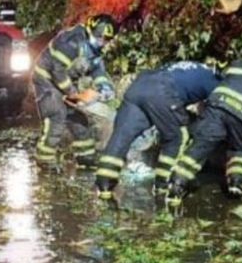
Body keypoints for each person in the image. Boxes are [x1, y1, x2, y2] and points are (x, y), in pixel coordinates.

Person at [165, 47, 242, 207]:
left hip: (218, 105)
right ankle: (236, 184)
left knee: (199, 147)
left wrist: (203, 110)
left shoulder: (241, 62)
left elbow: (219, 81)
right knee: (240, 150)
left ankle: (175, 186)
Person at [94, 59, 221, 207]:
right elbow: (209, 113)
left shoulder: (190, 66)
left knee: (120, 137)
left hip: (138, 86)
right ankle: (162, 186)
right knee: (176, 138)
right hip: (162, 90)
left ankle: (104, 186)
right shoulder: (214, 82)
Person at [32, 14, 117, 167]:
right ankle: (44, 160)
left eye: (106, 40)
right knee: (56, 116)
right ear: (91, 31)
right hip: (47, 81)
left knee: (79, 119)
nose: (102, 43)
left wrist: (105, 87)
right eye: (100, 38)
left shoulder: (94, 49)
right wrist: (72, 94)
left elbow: (97, 70)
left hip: (68, 82)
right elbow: (57, 70)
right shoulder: (70, 41)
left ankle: (86, 157)